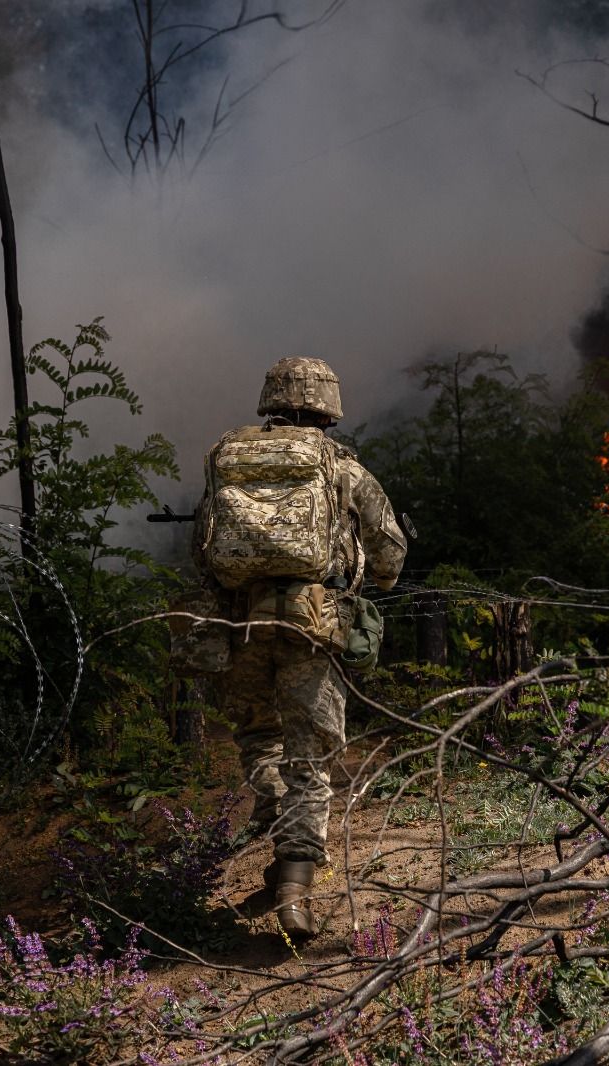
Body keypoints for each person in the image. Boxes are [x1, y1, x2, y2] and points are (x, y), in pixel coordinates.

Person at [190, 357, 407, 940]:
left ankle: (280, 855)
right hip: (311, 630)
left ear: (270, 402)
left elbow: (201, 547)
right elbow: (389, 554)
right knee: (310, 759)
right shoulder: (343, 467)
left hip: (240, 627)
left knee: (261, 740)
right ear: (328, 410)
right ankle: (295, 884)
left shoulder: (225, 458)